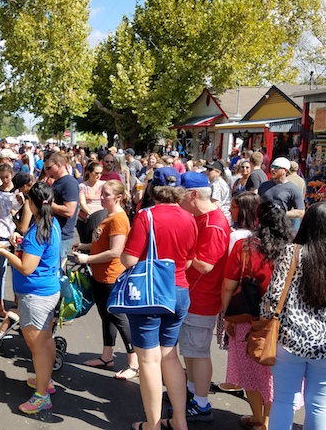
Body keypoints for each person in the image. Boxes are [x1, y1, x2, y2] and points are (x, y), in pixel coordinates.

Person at [266, 202, 326, 430]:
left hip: (290, 340)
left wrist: (266, 319)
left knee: (284, 400)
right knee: (319, 404)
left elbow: (274, 296)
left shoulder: (292, 253)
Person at [122, 167, 197, 430]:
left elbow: (130, 259)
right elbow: (188, 260)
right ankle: (179, 420)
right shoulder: (189, 218)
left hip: (151, 294)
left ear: (153, 189)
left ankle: (152, 425)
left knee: (149, 360)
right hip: (179, 290)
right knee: (170, 356)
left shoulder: (146, 217)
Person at [0, 182, 61, 414]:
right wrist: (19, 244)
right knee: (46, 340)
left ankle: (41, 396)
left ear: (32, 203)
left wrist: (6, 252)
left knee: (37, 345)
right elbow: (38, 253)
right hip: (48, 290)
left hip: (35, 295)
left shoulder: (38, 230)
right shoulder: (51, 223)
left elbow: (27, 267)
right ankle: (45, 381)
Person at [221, 202, 294, 430]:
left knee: (250, 370)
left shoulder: (244, 247)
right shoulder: (294, 248)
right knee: (275, 376)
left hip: (248, 318)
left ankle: (257, 418)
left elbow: (228, 287)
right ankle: (271, 421)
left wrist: (227, 316)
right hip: (284, 320)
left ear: (257, 220)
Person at [71, 181, 138, 379]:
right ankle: (107, 357)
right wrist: (84, 246)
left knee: (118, 318)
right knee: (106, 316)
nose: (101, 197)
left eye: (106, 195)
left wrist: (88, 258)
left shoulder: (118, 219)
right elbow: (101, 244)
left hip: (111, 276)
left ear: (118, 198)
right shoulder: (108, 215)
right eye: (102, 193)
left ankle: (133, 363)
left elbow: (115, 251)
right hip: (100, 276)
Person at [178, 172, 231, 422]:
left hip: (203, 296)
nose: (178, 200)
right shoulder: (203, 217)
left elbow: (206, 265)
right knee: (191, 349)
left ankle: (201, 403)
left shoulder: (213, 223)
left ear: (194, 195)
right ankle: (192, 391)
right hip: (194, 293)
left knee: (198, 352)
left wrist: (177, 253)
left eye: (181, 195)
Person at [0, 164, 22, 318]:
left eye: (7, 177)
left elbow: (25, 212)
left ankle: (17, 297)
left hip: (16, 233)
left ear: (12, 175)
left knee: (17, 268)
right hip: (2, 233)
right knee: (1, 269)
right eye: (2, 178)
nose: (4, 180)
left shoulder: (19, 192)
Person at [45, 152, 80, 262]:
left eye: (49, 168)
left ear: (59, 164)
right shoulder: (58, 182)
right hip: (55, 231)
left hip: (62, 234)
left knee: (57, 266)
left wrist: (48, 204)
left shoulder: (69, 183)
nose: (47, 171)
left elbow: (69, 211)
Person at [257, 157, 305, 224]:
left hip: (281, 227)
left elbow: (301, 212)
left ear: (285, 171)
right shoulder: (263, 186)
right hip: (263, 226)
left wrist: (281, 213)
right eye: (272, 166)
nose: (272, 169)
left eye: (276, 167)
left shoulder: (293, 189)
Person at [77, 161, 106, 244]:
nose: (99, 175)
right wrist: (91, 215)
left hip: (102, 218)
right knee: (87, 244)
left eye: (100, 173)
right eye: (96, 173)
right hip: (86, 219)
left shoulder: (104, 185)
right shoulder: (83, 186)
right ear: (89, 172)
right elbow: (82, 203)